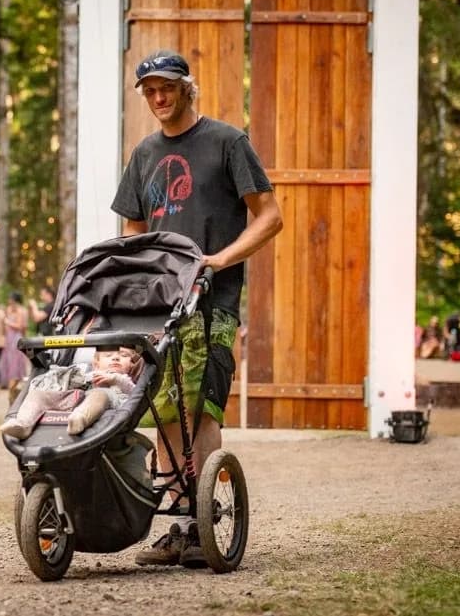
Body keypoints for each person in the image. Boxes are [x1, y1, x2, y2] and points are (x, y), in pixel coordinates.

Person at [111, 49, 282, 568]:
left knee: (201, 403)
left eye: (167, 87)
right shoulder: (143, 154)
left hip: (214, 301)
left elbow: (270, 216)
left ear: (188, 87)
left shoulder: (227, 142)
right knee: (164, 405)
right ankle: (177, 523)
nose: (159, 98)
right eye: (149, 91)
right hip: (162, 305)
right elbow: (132, 231)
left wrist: (219, 260)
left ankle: (201, 520)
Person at [0, 347, 140, 438]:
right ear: (96, 364)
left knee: (100, 394)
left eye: (123, 355)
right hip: (75, 399)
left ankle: (79, 419)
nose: (115, 358)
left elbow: (133, 392)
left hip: (105, 403)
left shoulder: (125, 380)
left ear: (132, 365)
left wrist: (114, 378)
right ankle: (23, 423)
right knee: (38, 395)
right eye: (108, 355)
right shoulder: (87, 373)